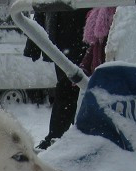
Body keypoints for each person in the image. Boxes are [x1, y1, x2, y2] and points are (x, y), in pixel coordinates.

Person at [24, 9, 88, 150]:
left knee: (72, 87)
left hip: (82, 34)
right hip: (63, 39)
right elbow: (41, 7)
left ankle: (59, 137)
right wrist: (33, 44)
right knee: (69, 88)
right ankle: (59, 137)